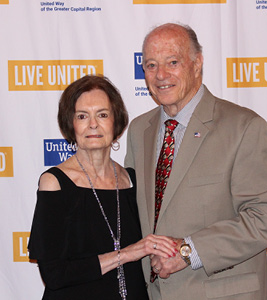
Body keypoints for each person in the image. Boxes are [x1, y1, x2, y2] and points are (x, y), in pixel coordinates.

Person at [125, 23, 267, 300]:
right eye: (151, 65)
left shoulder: (244, 127)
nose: (161, 75)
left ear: (197, 63)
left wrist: (189, 252)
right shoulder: (140, 130)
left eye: (172, 62)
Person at [28, 75, 177, 300]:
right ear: (71, 124)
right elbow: (54, 274)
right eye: (82, 116)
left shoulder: (132, 180)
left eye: (102, 114)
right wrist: (128, 253)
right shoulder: (54, 183)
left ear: (116, 122)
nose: (93, 124)